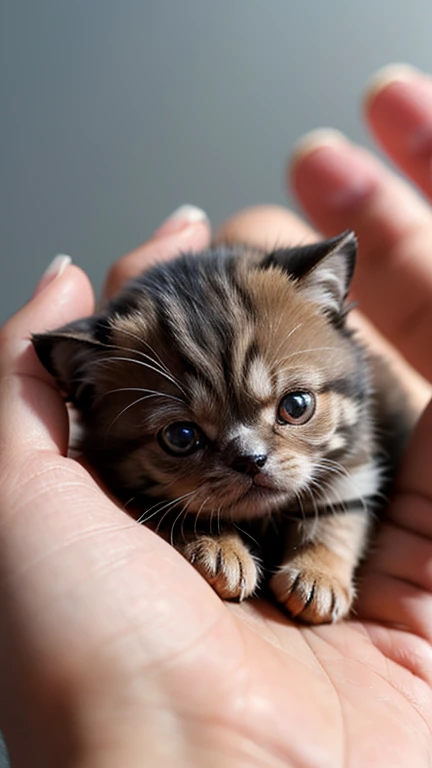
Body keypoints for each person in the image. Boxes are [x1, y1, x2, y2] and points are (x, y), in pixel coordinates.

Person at [1, 63, 432, 767]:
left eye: (291, 407)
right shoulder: (114, 417)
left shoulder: (348, 413)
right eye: (182, 435)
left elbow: (347, 489)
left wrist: (323, 555)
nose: (251, 456)